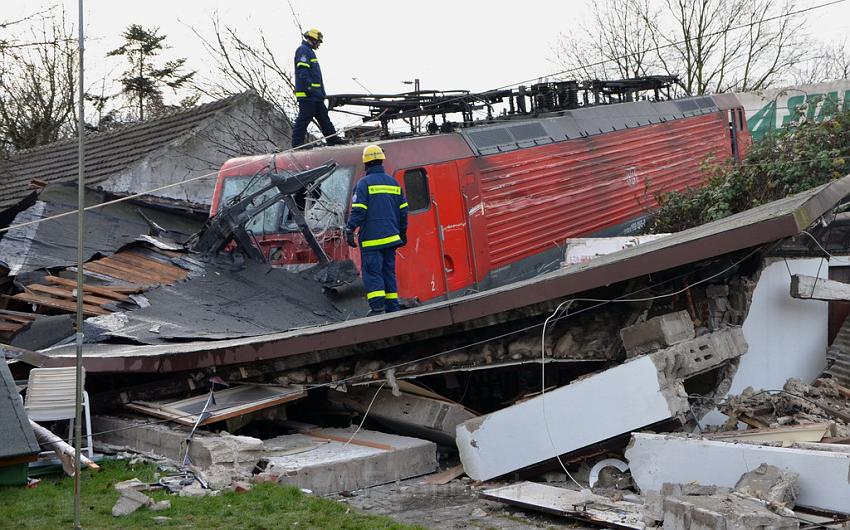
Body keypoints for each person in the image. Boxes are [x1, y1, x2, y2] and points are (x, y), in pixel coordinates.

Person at [345, 145, 409, 315]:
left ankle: (377, 308)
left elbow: (359, 210)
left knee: (373, 272)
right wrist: (402, 234)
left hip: (372, 240)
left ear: (366, 164)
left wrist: (350, 229)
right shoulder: (394, 183)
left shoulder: (363, 184)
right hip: (391, 238)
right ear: (381, 161)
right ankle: (392, 307)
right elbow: (403, 212)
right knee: (389, 271)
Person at [291, 28, 343, 148]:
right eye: (318, 42)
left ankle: (332, 139)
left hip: (316, 95)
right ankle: (297, 143)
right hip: (308, 94)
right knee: (304, 118)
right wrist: (309, 88)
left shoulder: (309, 51)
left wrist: (320, 92)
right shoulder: (303, 51)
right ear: (312, 40)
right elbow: (302, 72)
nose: (319, 44)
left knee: (323, 117)